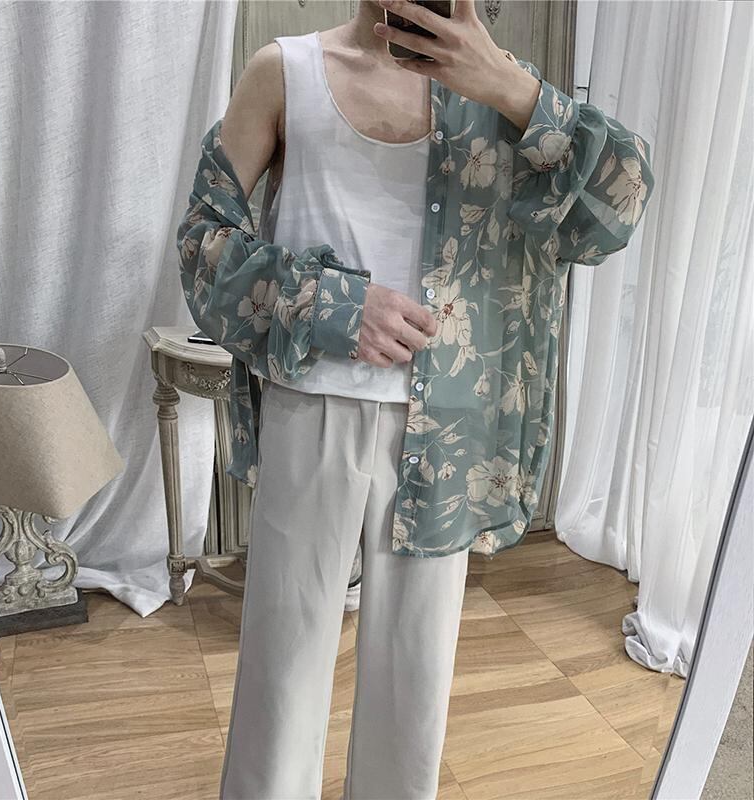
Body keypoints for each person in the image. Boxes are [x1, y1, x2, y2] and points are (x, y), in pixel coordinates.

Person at [176, 1, 656, 797]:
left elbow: (622, 203)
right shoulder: (286, 71)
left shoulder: (506, 93)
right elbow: (202, 243)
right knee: (282, 671)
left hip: (451, 430)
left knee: (414, 684)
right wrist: (333, 304)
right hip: (312, 411)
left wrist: (509, 88)